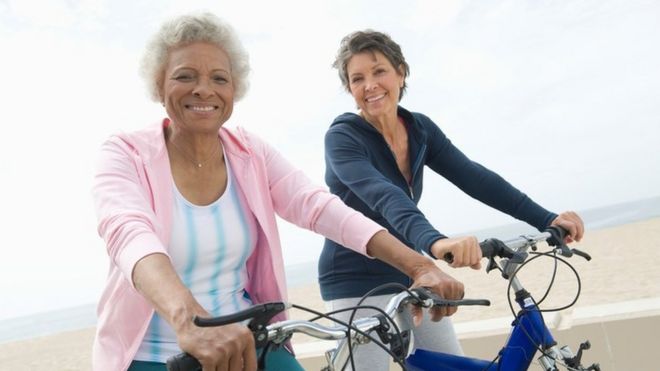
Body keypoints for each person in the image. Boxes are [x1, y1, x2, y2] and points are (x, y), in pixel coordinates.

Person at [91, 13, 467, 371]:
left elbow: (320, 209)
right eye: (185, 76)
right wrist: (189, 320)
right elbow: (130, 235)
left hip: (247, 345)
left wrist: (420, 265)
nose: (204, 89)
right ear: (159, 84)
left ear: (234, 89)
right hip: (156, 354)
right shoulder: (126, 153)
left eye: (219, 78)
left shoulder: (250, 153)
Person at [319, 29, 586, 370]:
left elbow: (473, 177)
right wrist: (435, 241)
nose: (369, 85)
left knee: (450, 364)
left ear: (401, 72)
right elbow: (384, 196)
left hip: (414, 273)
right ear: (350, 89)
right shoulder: (342, 138)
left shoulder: (419, 129)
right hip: (356, 279)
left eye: (379, 71)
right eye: (357, 79)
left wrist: (547, 219)